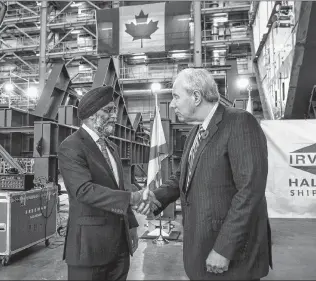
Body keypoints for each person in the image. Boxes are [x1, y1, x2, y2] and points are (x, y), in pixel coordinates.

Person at [142, 68, 273, 280]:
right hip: (200, 247)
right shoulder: (196, 131)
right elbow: (183, 177)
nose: (172, 104)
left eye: (176, 96)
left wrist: (224, 248)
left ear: (196, 96)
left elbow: (250, 191)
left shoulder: (239, 123)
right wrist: (156, 197)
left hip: (229, 256)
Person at [58, 85, 158, 280]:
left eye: (115, 111)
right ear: (91, 114)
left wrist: (131, 225)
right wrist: (133, 198)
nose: (114, 116)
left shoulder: (111, 148)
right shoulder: (71, 146)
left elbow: (119, 189)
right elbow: (84, 190)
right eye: (109, 110)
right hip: (89, 250)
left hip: (119, 247)